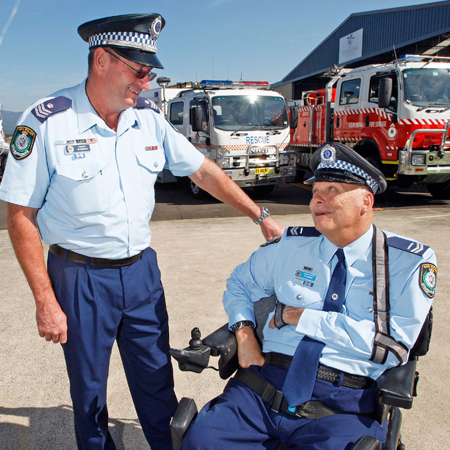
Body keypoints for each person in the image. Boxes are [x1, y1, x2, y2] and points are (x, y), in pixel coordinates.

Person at [0, 13, 284, 450]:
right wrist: (45, 301)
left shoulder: (146, 118)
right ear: (101, 60)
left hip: (140, 274)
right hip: (80, 278)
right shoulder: (47, 121)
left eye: (150, 72)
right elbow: (19, 215)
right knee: (90, 390)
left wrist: (258, 214)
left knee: (155, 378)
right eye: (139, 70)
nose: (146, 82)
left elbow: (204, 171)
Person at [181, 143, 437, 450]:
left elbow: (391, 347)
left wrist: (299, 316)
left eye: (332, 189)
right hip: (263, 386)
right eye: (316, 190)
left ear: (365, 201)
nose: (319, 199)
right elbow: (239, 284)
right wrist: (244, 333)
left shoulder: (405, 262)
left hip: (343, 402)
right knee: (202, 442)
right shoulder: (291, 245)